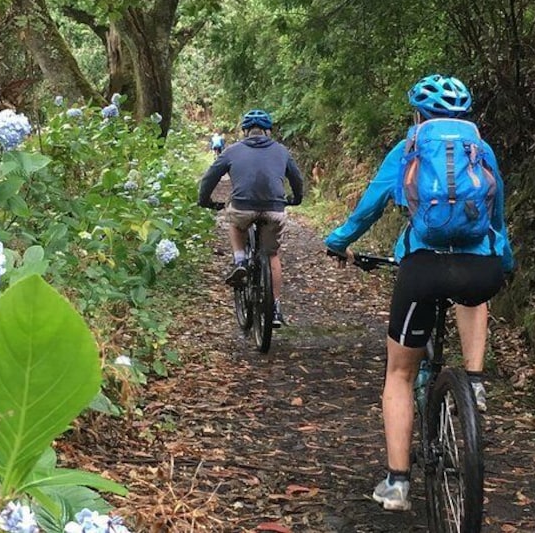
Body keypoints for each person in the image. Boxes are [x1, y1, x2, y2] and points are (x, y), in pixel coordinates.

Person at [323, 74, 514, 511]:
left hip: (423, 269)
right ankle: (476, 380)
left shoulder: (409, 148)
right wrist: (503, 262)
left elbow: (369, 206)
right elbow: (496, 216)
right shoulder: (479, 150)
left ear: (418, 114)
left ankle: (397, 483)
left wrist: (338, 242)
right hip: (480, 269)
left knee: (400, 374)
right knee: (473, 292)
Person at [198, 109, 304, 327]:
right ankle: (275, 308)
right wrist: (296, 199)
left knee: (236, 225)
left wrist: (205, 201)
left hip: (243, 207)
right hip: (274, 208)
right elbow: (297, 178)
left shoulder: (232, 150)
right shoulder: (282, 150)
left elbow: (210, 177)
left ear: (245, 131)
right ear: (267, 131)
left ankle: (239, 261)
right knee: (272, 254)